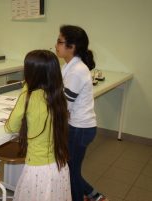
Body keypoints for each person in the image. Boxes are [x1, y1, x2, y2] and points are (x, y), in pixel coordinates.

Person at [5, 50, 71, 201]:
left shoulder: (29, 97)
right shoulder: (58, 95)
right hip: (59, 167)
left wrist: (26, 89)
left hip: (37, 171)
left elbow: (11, 127)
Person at [55, 25, 108, 201]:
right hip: (78, 126)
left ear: (72, 47)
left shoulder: (77, 71)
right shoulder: (69, 66)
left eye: (60, 41)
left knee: (70, 172)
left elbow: (64, 106)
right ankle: (95, 196)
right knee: (71, 169)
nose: (56, 45)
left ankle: (88, 197)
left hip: (79, 129)